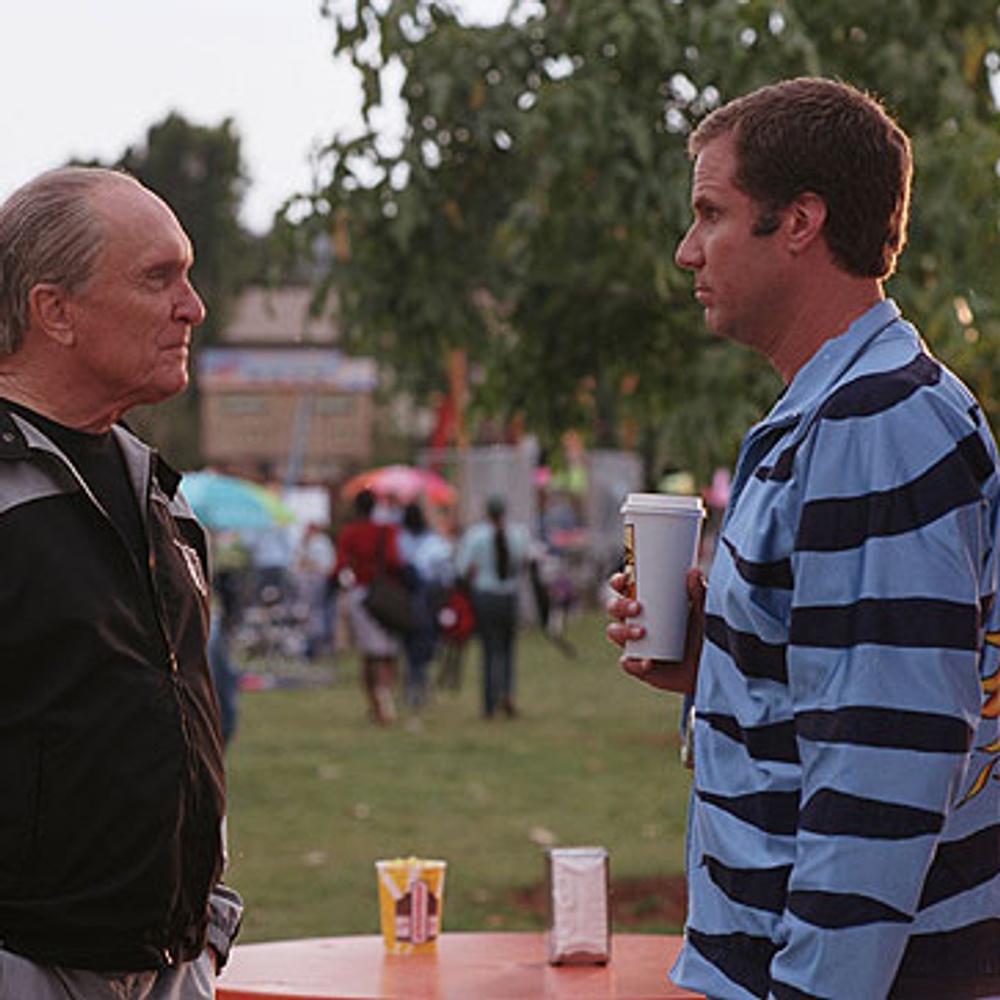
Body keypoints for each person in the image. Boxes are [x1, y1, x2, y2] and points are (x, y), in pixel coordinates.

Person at [607, 78, 1000, 999]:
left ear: (799, 222)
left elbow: (885, 767)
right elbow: (856, 687)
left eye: (711, 213)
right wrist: (718, 656)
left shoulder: (878, 424)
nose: (686, 249)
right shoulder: (837, 413)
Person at [0, 167, 242, 996]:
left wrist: (207, 930)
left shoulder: (161, 496)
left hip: (173, 966)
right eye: (157, 277)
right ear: (55, 311)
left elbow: (179, 719)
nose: (193, 306)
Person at [457, 495, 530, 718]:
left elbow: (461, 568)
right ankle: (507, 693)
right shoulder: (518, 534)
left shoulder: (475, 535)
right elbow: (524, 563)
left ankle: (490, 702)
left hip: (485, 597)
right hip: (509, 595)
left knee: (489, 650)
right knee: (508, 649)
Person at [334, 488, 403, 724]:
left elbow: (340, 566)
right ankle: (384, 695)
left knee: (370, 652)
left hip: (362, 594)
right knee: (387, 649)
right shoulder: (387, 531)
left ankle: (377, 701)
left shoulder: (349, 533)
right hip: (387, 595)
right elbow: (395, 560)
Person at [397, 501, 453, 710]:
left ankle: (411, 687)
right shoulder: (434, 541)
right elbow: (446, 574)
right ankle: (419, 687)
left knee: (409, 645)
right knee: (424, 644)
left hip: (407, 597)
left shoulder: (399, 540)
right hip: (429, 599)